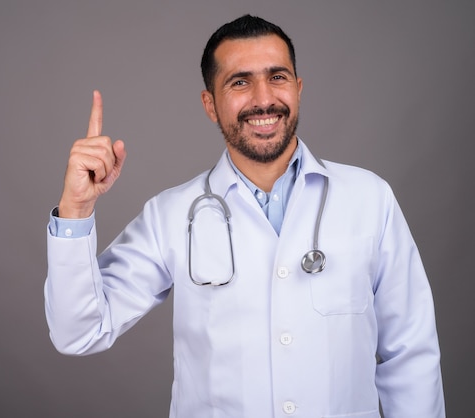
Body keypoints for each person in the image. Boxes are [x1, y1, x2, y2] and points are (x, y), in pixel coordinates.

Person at [45, 15, 445, 417]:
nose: (263, 98)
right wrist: (76, 209)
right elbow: (78, 332)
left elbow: (410, 353)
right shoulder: (171, 215)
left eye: (277, 77)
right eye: (239, 82)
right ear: (210, 105)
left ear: (298, 89)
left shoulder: (369, 198)